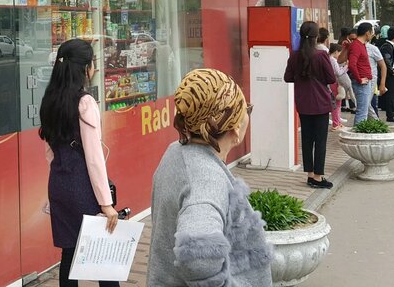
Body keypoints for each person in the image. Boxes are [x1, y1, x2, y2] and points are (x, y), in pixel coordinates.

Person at [148, 69, 273, 286]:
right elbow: (198, 260)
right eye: (246, 109)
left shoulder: (176, 151)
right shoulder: (207, 181)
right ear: (235, 128)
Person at [39, 39, 119, 287]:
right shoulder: (85, 102)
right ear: (85, 68)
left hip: (58, 185)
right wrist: (106, 204)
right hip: (82, 187)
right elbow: (94, 159)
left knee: (69, 253)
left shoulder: (50, 100)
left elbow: (50, 151)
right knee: (103, 254)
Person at [284, 21, 337, 188]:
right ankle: (318, 177)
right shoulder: (321, 56)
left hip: (303, 103)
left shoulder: (294, 55)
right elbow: (331, 78)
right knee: (320, 141)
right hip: (320, 103)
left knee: (307, 140)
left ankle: (309, 175)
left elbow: (287, 77)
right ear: (316, 37)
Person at [346, 22, 375, 125]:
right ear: (367, 33)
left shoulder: (360, 45)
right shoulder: (356, 46)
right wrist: (359, 79)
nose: (372, 35)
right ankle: (359, 131)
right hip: (361, 82)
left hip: (364, 80)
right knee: (362, 111)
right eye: (371, 33)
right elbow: (352, 64)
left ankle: (360, 130)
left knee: (364, 110)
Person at [366, 35, 387, 120]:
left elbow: (383, 66)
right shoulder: (353, 47)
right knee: (364, 104)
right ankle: (374, 122)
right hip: (358, 80)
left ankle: (376, 122)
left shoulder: (372, 49)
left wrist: (382, 83)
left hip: (371, 80)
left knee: (367, 103)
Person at [328, 43, 346, 130]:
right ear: (336, 52)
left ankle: (337, 122)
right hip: (335, 82)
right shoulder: (333, 60)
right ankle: (336, 123)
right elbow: (338, 72)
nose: (339, 55)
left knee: (337, 103)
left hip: (331, 82)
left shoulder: (328, 59)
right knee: (337, 103)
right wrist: (346, 67)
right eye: (339, 53)